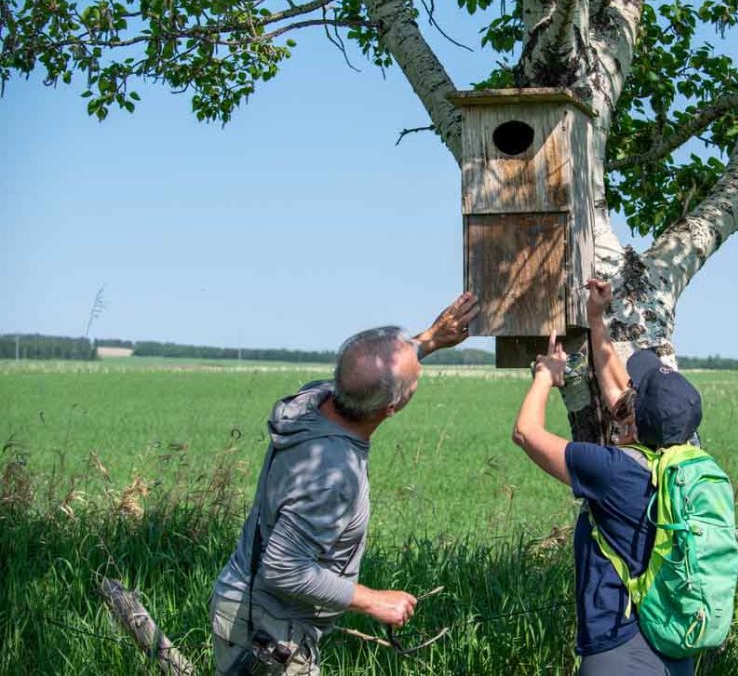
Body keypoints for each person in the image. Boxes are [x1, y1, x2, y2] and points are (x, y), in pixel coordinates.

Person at [210, 293, 479, 675]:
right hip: (269, 633)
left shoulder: (312, 400)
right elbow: (283, 567)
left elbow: (368, 371)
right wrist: (373, 600)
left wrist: (432, 338)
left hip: (243, 605)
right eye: (414, 383)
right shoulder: (332, 477)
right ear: (391, 409)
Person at [511, 279, 700, 676]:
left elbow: (526, 433)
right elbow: (618, 390)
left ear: (634, 419)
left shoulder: (614, 472)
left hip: (618, 651)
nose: (626, 389)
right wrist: (596, 319)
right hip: (675, 648)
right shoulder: (688, 466)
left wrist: (545, 375)